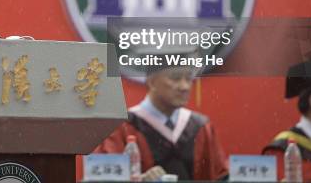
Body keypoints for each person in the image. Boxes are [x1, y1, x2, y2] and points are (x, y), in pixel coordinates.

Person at [94, 64, 228, 181]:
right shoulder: (122, 125)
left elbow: (219, 176)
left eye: (188, 78)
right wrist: (138, 180)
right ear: (152, 82)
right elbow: (102, 177)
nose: (184, 86)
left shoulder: (200, 126)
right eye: (175, 78)